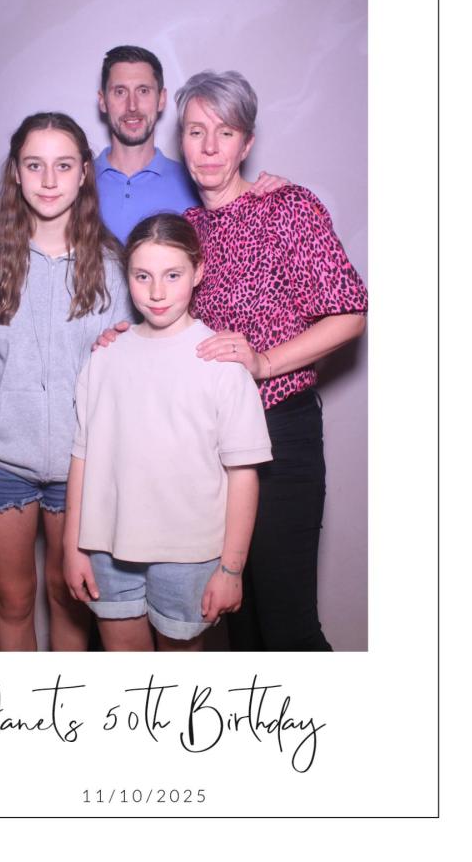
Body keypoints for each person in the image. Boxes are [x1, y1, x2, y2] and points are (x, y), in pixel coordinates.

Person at [97, 70, 368, 652]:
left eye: (226, 132)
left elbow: (350, 313)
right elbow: (161, 309)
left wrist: (264, 362)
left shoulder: (288, 207)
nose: (210, 146)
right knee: (234, 620)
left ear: (247, 143)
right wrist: (126, 334)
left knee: (287, 623)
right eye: (196, 131)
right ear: (182, 140)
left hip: (278, 435)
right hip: (205, 447)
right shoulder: (188, 230)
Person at [0, 112, 132, 652]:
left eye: (63, 166)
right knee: (13, 602)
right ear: (16, 174)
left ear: (84, 173)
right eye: (34, 165)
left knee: (70, 599)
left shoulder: (115, 271)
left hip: (81, 467)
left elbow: (136, 377)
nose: (48, 180)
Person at [63, 213, 273, 651]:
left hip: (189, 553)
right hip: (107, 546)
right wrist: (72, 546)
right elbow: (82, 457)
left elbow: (243, 474)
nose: (157, 292)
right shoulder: (105, 357)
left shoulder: (222, 363)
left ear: (199, 271)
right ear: (127, 277)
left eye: (172, 275)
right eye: (143, 276)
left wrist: (231, 569)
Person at [95, 45, 284, 242]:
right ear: (102, 100)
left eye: (143, 91)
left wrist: (280, 195)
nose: (132, 106)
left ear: (161, 98)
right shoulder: (79, 182)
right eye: (120, 92)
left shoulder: (200, 179)